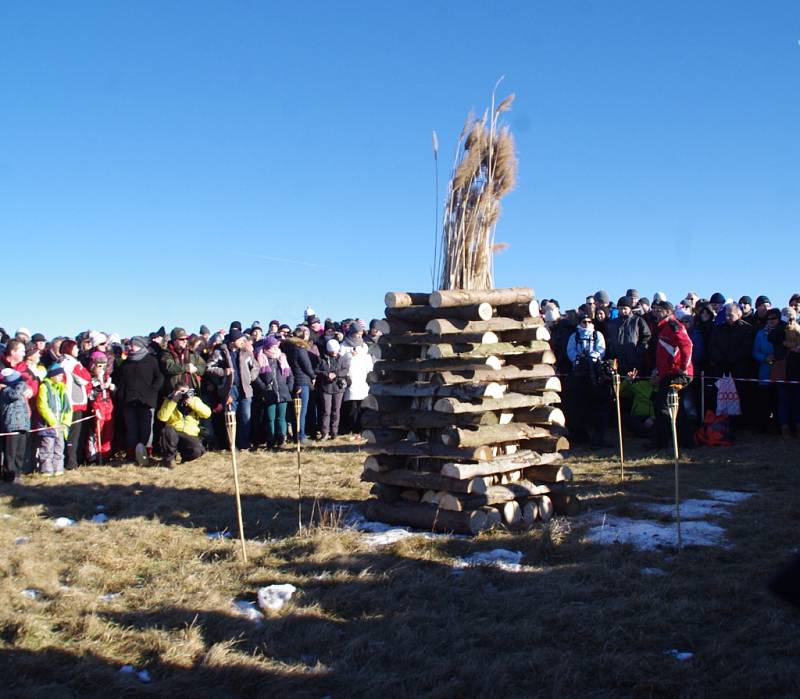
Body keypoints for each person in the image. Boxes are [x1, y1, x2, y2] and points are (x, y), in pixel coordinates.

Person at [651, 301, 694, 449]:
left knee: (663, 405)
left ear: (668, 311)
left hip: (678, 373)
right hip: (668, 373)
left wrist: (684, 367)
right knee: (676, 407)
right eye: (654, 309)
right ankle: (686, 441)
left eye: (659, 310)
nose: (656, 312)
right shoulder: (662, 328)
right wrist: (658, 371)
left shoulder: (674, 325)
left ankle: (661, 443)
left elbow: (687, 345)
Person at [116, 336, 164, 464]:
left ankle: (145, 454)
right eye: (130, 345)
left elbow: (159, 378)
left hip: (146, 401)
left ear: (141, 346)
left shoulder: (151, 360)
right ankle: (132, 454)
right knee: (131, 429)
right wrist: (121, 396)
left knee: (146, 429)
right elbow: (121, 382)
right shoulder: (126, 362)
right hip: (129, 401)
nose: (131, 347)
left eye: (134, 345)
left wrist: (152, 391)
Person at [565, 313, 609, 449]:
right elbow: (570, 351)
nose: (587, 324)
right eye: (584, 321)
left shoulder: (597, 335)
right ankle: (581, 435)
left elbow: (601, 350)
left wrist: (591, 357)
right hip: (579, 373)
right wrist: (579, 359)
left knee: (598, 407)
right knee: (579, 406)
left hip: (596, 373)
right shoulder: (575, 336)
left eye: (589, 321)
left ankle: (598, 437)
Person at [156, 386, 211, 468]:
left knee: (198, 450)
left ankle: (185, 458)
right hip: (174, 432)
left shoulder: (195, 400)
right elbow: (162, 417)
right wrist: (173, 401)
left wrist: (191, 402)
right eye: (180, 392)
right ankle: (169, 460)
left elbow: (207, 413)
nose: (183, 394)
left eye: (185, 391)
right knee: (167, 431)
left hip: (190, 434)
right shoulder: (169, 400)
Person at [256, 335, 294, 449]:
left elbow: (290, 375)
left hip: (283, 392)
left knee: (281, 417)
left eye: (275, 346)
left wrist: (289, 387)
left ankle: (282, 439)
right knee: (270, 418)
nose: (274, 348)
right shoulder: (260, 357)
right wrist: (263, 387)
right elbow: (256, 376)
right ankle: (270, 440)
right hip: (269, 393)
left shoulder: (282, 357)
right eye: (272, 346)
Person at [59, 339, 92, 469]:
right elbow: (85, 378)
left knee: (66, 432)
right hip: (74, 401)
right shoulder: (72, 363)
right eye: (75, 348)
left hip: (64, 401)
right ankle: (71, 462)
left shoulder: (59, 361)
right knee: (74, 433)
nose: (77, 350)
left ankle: (67, 460)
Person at [35, 363, 72, 477]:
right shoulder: (44, 387)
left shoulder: (62, 388)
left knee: (59, 446)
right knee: (47, 447)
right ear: (52, 375)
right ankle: (46, 469)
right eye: (59, 375)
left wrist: (65, 422)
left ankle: (58, 468)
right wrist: (52, 422)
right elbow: (42, 406)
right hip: (48, 425)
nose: (61, 377)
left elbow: (68, 408)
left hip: (60, 425)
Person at [282, 326, 316, 443]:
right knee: (301, 411)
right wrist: (313, 376)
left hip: (292, 382)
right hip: (302, 381)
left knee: (294, 411)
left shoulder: (287, 347)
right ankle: (300, 436)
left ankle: (296, 435)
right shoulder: (300, 349)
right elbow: (306, 366)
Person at [602, 296, 651, 376]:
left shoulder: (638, 321)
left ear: (630, 308)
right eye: (620, 308)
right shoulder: (612, 324)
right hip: (618, 362)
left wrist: (639, 351)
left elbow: (647, 337)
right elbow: (608, 340)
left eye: (625, 308)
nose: (623, 311)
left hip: (635, 361)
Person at [0, 368, 33, 482]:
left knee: (20, 453)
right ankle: (9, 476)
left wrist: (28, 388)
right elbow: (15, 395)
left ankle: (17, 474)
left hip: (23, 425)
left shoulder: (19, 388)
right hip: (11, 427)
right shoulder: (6, 391)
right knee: (10, 454)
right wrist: (24, 385)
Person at [315, 339, 350, 440]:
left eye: (335, 350)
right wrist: (326, 374)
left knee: (336, 410)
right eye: (332, 351)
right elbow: (317, 370)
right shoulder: (322, 358)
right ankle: (325, 432)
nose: (334, 353)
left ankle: (334, 432)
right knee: (326, 411)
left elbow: (345, 370)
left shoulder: (342, 358)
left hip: (338, 388)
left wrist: (336, 374)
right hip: (326, 387)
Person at [342, 329, 373, 437]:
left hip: (362, 377)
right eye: (357, 334)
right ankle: (351, 427)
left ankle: (360, 427)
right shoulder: (344, 345)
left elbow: (367, 359)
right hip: (351, 376)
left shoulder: (364, 345)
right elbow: (341, 360)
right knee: (352, 406)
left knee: (362, 404)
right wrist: (349, 355)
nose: (359, 336)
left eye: (360, 334)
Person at [86, 351, 115, 462]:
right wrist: (99, 383)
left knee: (108, 431)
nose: (102, 368)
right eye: (99, 366)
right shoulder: (91, 378)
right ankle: (94, 455)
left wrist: (111, 387)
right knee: (96, 431)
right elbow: (91, 394)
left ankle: (105, 454)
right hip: (97, 407)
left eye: (104, 366)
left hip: (107, 406)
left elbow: (110, 392)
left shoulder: (107, 377)